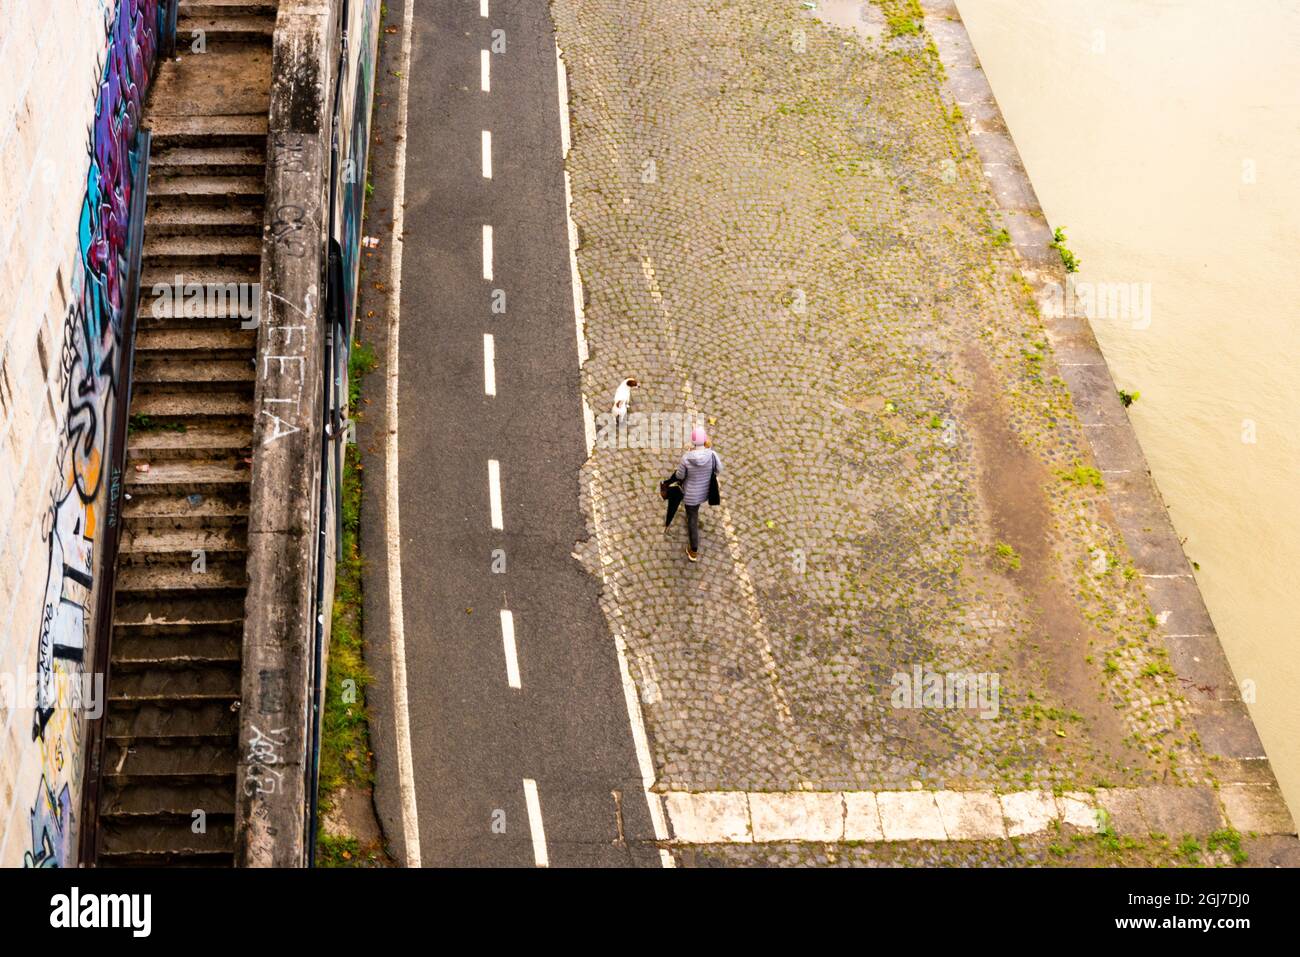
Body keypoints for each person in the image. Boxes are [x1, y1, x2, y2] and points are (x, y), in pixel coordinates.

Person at [666, 426, 721, 562]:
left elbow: (680, 475)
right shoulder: (712, 454)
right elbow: (719, 469)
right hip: (705, 491)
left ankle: (694, 550)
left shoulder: (687, 458)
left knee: (692, 518)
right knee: (694, 511)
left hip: (691, 494)